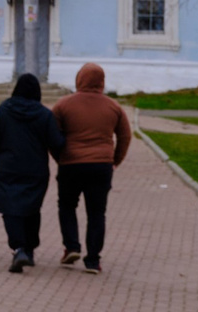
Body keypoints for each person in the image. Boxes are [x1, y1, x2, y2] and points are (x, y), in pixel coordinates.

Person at [52, 62, 132, 273]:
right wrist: (115, 160)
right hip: (101, 166)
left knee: (67, 206)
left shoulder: (63, 105)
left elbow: (52, 135)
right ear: (102, 82)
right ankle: (93, 260)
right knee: (97, 212)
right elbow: (125, 136)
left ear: (79, 80)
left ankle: (71, 246)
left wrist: (60, 157)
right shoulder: (114, 107)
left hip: (70, 164)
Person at [0, 72, 65, 273]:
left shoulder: (4, 109)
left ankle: (19, 248)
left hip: (8, 168)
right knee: (31, 208)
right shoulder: (45, 114)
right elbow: (56, 143)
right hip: (35, 170)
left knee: (10, 209)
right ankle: (29, 248)